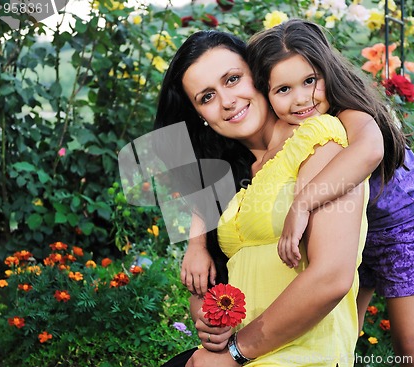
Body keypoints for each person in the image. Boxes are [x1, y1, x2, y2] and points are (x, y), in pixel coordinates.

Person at [182, 19, 414, 367]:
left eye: (309, 81)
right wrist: (196, 243)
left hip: (403, 219)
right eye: (283, 89)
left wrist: (303, 203)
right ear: (267, 86)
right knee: (338, 328)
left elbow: (369, 151)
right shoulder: (273, 134)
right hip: (348, 221)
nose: (301, 98)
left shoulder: (341, 112)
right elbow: (207, 176)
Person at [156, 29, 369, 366]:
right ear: (200, 116)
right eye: (206, 97)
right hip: (246, 353)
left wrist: (235, 352)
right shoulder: (234, 177)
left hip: (297, 356)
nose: (226, 101)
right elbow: (214, 287)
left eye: (232, 79)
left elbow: (331, 277)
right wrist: (211, 322)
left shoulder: (318, 137)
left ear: (259, 76)